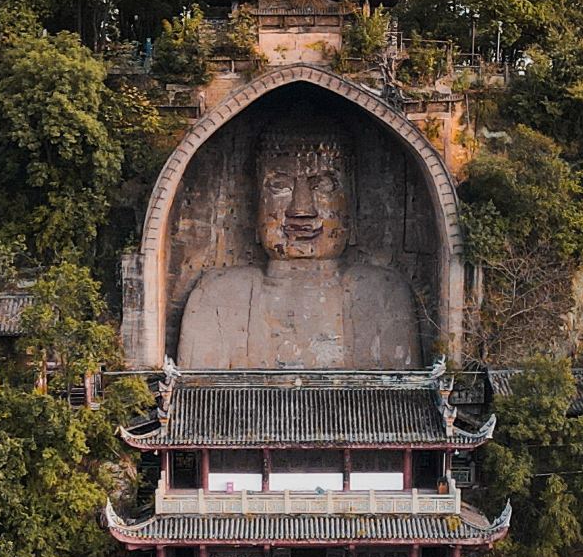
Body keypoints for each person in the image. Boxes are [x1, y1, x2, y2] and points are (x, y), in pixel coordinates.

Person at [177, 115, 421, 369]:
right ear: (254, 205)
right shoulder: (219, 293)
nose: (302, 209)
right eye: (279, 187)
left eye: (323, 186)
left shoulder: (382, 292)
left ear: (353, 204)